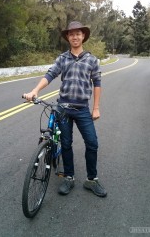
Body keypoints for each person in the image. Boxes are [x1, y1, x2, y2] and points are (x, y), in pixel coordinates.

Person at [23, 21, 107, 197]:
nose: (75, 37)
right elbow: (50, 75)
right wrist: (34, 91)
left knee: (92, 143)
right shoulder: (62, 58)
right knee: (66, 144)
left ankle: (92, 179)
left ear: (83, 36)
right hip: (63, 108)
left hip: (82, 108)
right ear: (68, 38)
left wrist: (96, 107)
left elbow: (97, 83)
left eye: (78, 33)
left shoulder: (92, 60)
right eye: (71, 34)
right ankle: (69, 177)